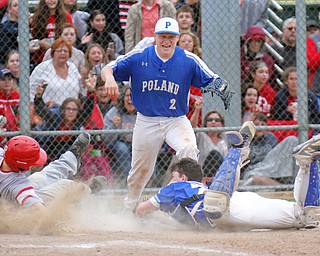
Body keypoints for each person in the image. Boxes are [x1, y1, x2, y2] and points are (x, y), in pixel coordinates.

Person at [100, 17, 233, 210]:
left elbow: (212, 79)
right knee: (140, 171)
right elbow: (108, 68)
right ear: (155, 37)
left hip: (175, 120)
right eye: (163, 36)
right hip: (146, 121)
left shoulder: (188, 60)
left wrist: (224, 91)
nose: (166, 41)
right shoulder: (140, 57)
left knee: (188, 150)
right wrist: (109, 79)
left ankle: (190, 202)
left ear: (178, 38)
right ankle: (130, 207)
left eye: (171, 37)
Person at [135, 121, 320, 231]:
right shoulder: (188, 198)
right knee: (304, 216)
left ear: (183, 178)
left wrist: (133, 209)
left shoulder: (172, 189)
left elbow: (141, 210)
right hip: (238, 200)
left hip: (219, 205)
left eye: (173, 176)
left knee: (215, 204)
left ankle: (237, 151)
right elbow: (169, 220)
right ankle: (307, 164)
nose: (171, 180)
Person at [0, 130, 108, 210]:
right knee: (65, 185)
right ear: (23, 167)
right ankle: (87, 189)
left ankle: (72, 156)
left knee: (40, 177)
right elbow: (38, 209)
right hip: (19, 210)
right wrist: (53, 218)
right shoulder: (18, 185)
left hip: (14, 193)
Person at [241, 113, 299, 186]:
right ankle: (284, 188)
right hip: (256, 169)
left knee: (292, 139)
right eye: (257, 124)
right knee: (255, 178)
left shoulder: (270, 137)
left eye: (263, 124)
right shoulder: (247, 140)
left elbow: (277, 156)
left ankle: (295, 182)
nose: (260, 127)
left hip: (271, 166)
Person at [29, 37, 82, 106]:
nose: (62, 53)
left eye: (65, 51)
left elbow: (80, 89)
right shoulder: (42, 68)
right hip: (48, 111)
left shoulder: (73, 67)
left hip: (71, 111)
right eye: (59, 51)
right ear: (53, 53)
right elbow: (30, 90)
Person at [102, 86, 136, 185]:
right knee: (122, 148)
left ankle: (150, 181)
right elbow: (107, 140)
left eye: (133, 96)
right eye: (127, 95)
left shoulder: (143, 112)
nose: (130, 98)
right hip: (117, 143)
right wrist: (114, 126)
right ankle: (130, 181)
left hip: (137, 143)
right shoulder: (114, 112)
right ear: (122, 98)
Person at [190, 99, 229, 180]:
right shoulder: (201, 135)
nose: (213, 122)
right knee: (214, 154)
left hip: (221, 174)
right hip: (203, 173)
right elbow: (192, 126)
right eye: (210, 120)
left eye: (217, 120)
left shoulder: (225, 138)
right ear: (206, 123)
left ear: (222, 124)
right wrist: (197, 110)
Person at [30, 0, 73, 67]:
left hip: (60, 57)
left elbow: (70, 35)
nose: (51, 1)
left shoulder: (66, 16)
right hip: (41, 58)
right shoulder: (37, 17)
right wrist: (41, 43)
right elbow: (33, 38)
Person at [0, 68, 19, 139]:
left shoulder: (18, 96)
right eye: (3, 79)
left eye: (9, 79)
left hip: (17, 130)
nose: (7, 82)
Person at [0, 0, 18, 65]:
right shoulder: (4, 27)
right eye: (15, 5)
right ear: (9, 9)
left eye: (21, 5)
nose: (19, 7)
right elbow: (5, 50)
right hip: (12, 62)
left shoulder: (29, 25)